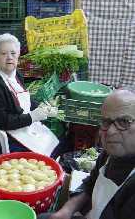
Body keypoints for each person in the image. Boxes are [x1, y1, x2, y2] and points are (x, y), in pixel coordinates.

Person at [38, 89, 135, 219]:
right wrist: (66, 211)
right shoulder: (108, 155)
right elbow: (90, 185)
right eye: (106, 122)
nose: (111, 131)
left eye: (123, 122)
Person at [0, 33, 59, 156]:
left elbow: (24, 99)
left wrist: (42, 107)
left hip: (16, 127)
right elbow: (0, 121)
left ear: (18, 55)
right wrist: (32, 117)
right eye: (4, 54)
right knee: (39, 154)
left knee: (52, 142)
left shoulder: (15, 73)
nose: (9, 58)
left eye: (13, 53)